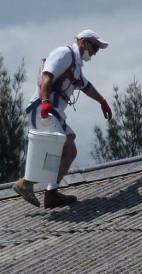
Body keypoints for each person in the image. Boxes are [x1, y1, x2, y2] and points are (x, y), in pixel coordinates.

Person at [12, 30, 113, 209]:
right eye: (95, 47)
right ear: (83, 42)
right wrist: (44, 101)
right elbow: (47, 75)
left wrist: (102, 101)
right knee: (61, 148)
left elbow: (86, 86)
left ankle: (49, 193)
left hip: (55, 111)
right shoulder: (64, 54)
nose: (96, 52)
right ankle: (29, 184)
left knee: (69, 150)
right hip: (43, 108)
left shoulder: (76, 67)